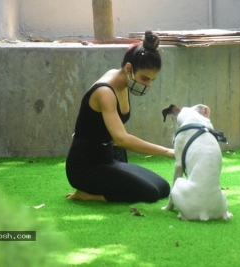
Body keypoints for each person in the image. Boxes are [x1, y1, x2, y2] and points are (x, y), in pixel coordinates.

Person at [65, 30, 174, 203]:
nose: (148, 85)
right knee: (150, 194)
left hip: (107, 160)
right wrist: (167, 151)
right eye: (145, 78)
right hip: (85, 168)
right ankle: (87, 194)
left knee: (163, 188)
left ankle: (107, 184)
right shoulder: (105, 92)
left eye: (152, 80)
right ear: (129, 68)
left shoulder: (124, 82)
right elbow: (122, 139)